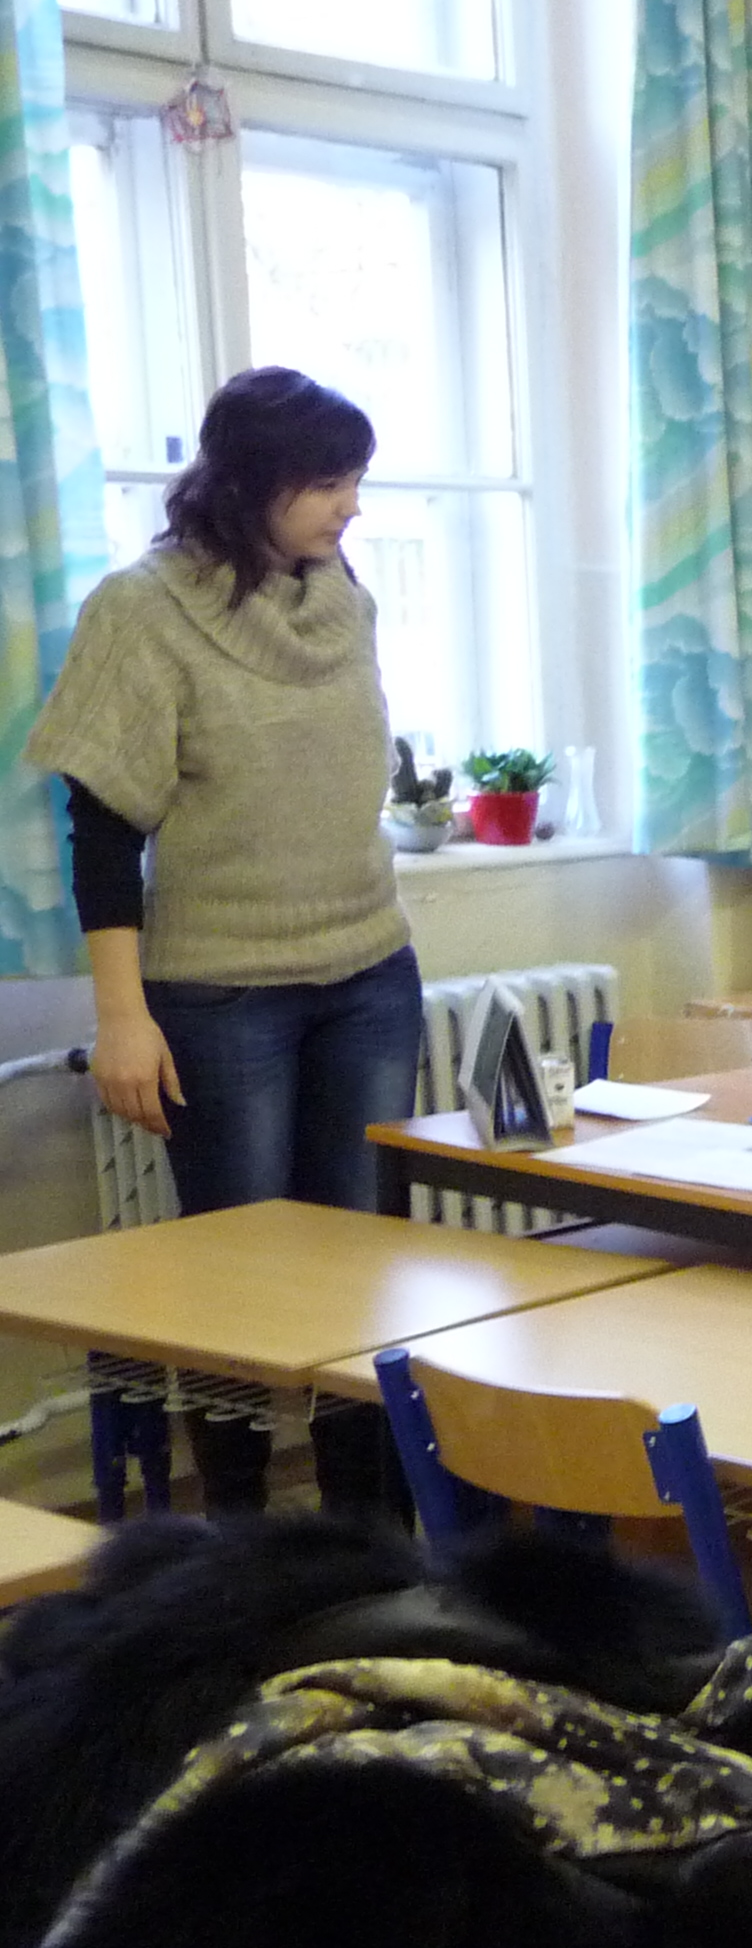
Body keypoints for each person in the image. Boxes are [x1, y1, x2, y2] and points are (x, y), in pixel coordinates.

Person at [22, 365, 423, 1515]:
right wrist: (123, 1017)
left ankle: (365, 1533)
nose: (352, 506)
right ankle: (239, 1537)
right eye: (330, 483)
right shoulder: (141, 612)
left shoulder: (342, 595)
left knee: (361, 1264)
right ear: (250, 482)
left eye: (356, 480)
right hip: (222, 995)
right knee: (235, 1274)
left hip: (369, 973)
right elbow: (103, 830)